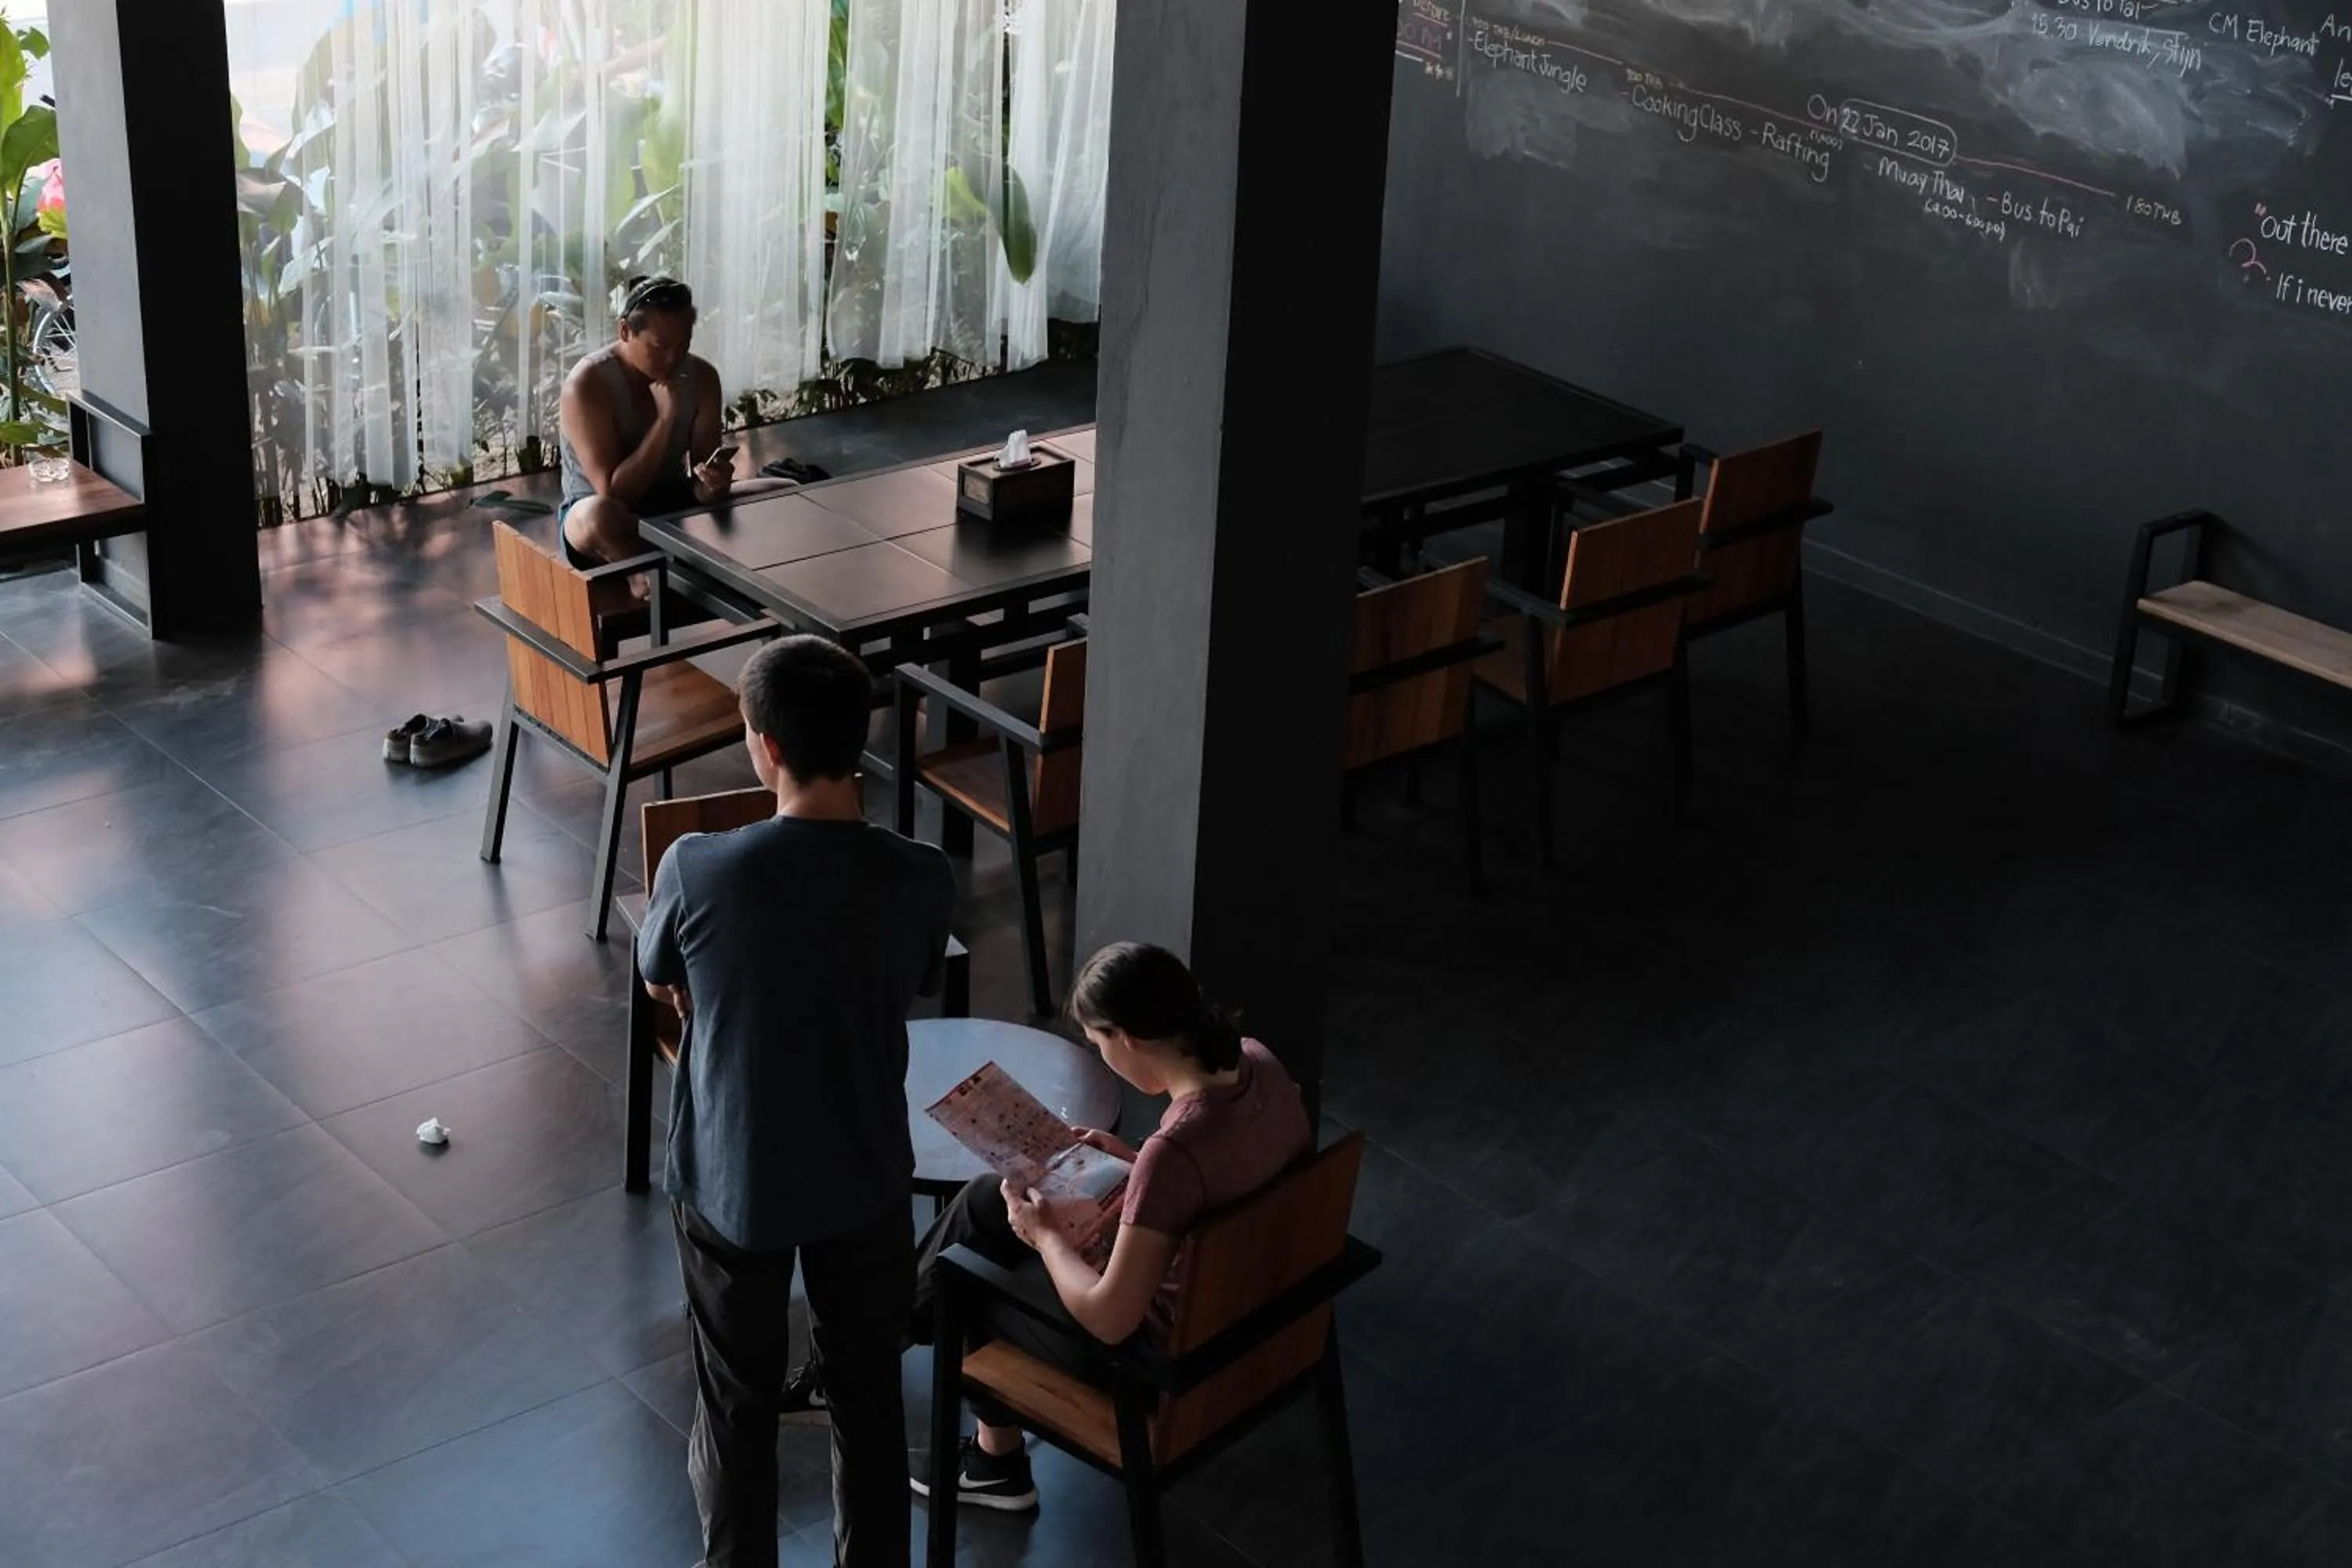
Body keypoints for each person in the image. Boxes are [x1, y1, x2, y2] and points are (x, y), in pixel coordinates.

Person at [787, 943, 1312, 1512]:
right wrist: (1127, 1162)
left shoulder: (1177, 1151)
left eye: (1097, 1044)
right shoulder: (1258, 1063)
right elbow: (1225, 1178)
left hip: (1159, 1362)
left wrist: (1048, 1238)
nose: (1102, 1055)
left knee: (965, 1269)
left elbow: (1110, 1320)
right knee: (988, 1200)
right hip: (1251, 1314)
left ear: (1127, 1039)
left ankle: (940, 1423)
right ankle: (883, 1370)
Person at [637, 634, 956, 1568]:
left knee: (738, 1401)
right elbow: (914, 971)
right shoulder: (921, 875)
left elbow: (661, 978)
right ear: (858, 739)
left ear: (763, 747)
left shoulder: (700, 868)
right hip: (863, 1173)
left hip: (735, 1177)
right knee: (866, 1393)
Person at [557, 275, 798, 570]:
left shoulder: (702, 377)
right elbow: (616, 493)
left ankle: (676, 568)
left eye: (683, 345)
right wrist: (665, 419)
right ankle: (645, 578)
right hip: (606, 515)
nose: (673, 358)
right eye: (660, 347)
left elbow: (702, 485)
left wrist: (713, 484)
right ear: (625, 331)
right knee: (599, 517)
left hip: (674, 503)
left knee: (789, 491)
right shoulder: (587, 384)